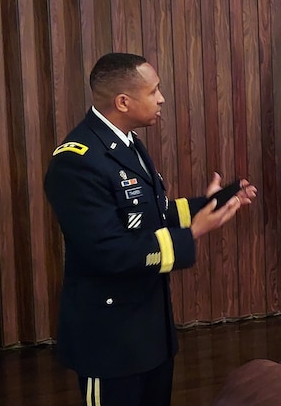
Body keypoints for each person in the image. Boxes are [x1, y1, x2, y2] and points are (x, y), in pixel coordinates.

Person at [44, 52, 258, 406]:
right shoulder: (76, 162)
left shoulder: (130, 145)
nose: (161, 98)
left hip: (149, 333)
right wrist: (189, 235)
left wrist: (208, 204)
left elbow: (148, 215)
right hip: (109, 340)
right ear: (123, 102)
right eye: (154, 90)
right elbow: (107, 250)